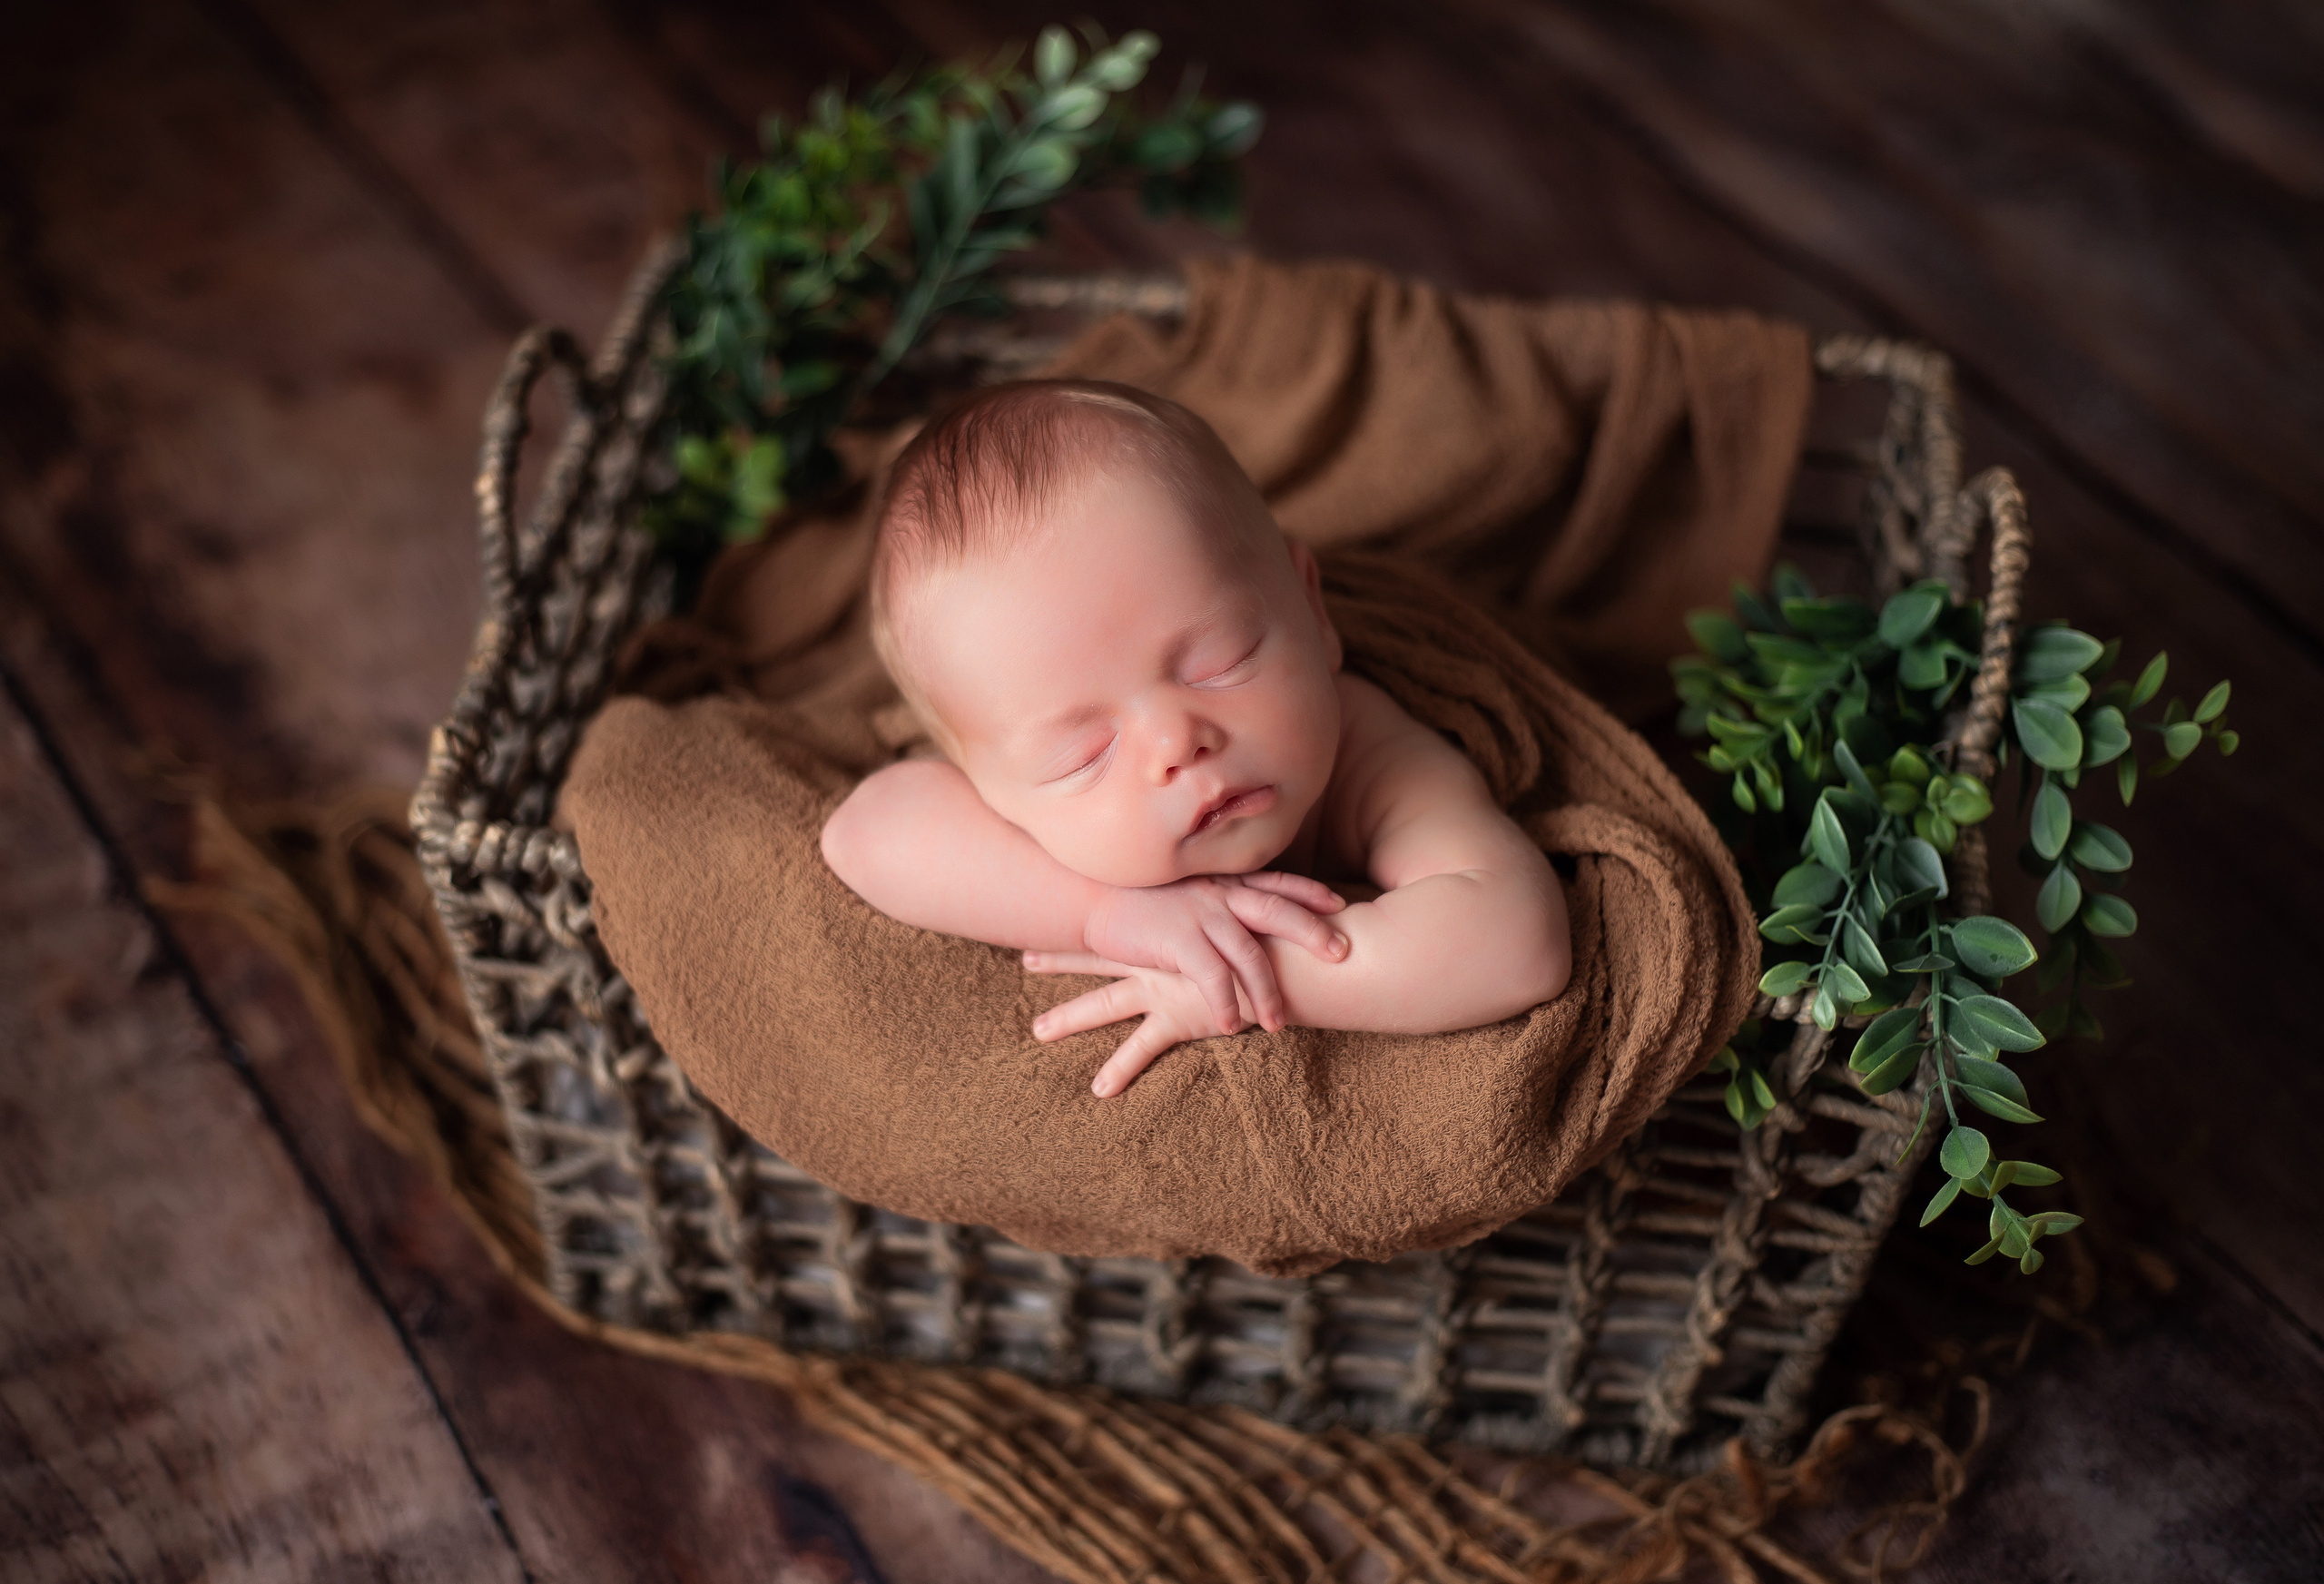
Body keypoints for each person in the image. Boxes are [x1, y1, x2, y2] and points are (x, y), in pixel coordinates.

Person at [820, 379, 1571, 1098]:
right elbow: (862, 832)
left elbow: (1517, 939)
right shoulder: (1004, 796)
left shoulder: (1370, 754)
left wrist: (1240, 974)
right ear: (994, 795)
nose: (1176, 742)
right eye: (1084, 754)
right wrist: (1105, 913)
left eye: (1221, 661)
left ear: (1313, 612)